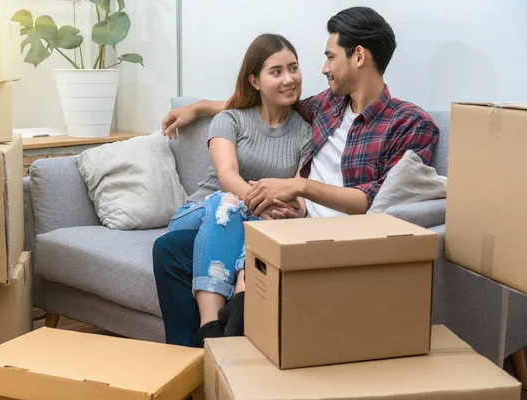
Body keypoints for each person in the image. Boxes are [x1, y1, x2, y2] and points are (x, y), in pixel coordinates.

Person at [154, 6, 440, 347]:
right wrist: (198, 107)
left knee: (182, 249)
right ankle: (190, 364)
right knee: (170, 248)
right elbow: (264, 100)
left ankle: (220, 347)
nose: (323, 68)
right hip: (282, 221)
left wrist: (300, 186)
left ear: (359, 56)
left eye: (330, 57)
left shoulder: (410, 124)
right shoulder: (326, 106)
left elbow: (379, 200)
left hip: (319, 237)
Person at [157, 33, 312, 348]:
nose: (289, 79)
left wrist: (290, 207)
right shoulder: (230, 120)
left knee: (172, 249)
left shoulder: (306, 132)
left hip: (253, 223)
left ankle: (202, 348)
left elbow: (299, 190)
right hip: (202, 212)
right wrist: (263, 203)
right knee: (228, 201)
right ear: (254, 81)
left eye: (293, 68)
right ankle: (215, 322)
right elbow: (228, 175)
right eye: (276, 71)